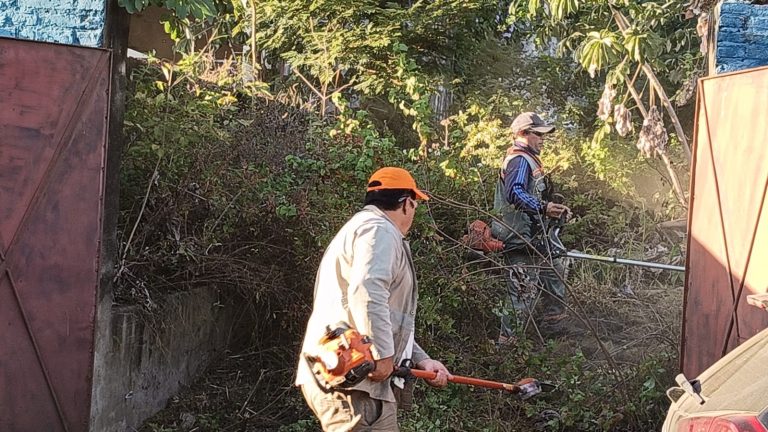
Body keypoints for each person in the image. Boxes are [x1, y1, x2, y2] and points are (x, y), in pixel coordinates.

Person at [295, 167, 451, 431]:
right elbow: (367, 292)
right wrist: (383, 355)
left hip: (356, 378)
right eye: (414, 205)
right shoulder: (380, 231)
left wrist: (421, 359)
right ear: (406, 203)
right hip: (354, 382)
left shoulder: (363, 228)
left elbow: (381, 314)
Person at [490, 112, 571, 343]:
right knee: (522, 291)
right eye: (538, 134)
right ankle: (507, 346)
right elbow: (514, 193)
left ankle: (553, 329)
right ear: (523, 135)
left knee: (554, 272)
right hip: (519, 237)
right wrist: (544, 207)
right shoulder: (519, 160)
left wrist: (552, 208)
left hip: (533, 236)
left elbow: (531, 193)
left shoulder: (529, 160)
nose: (543, 139)